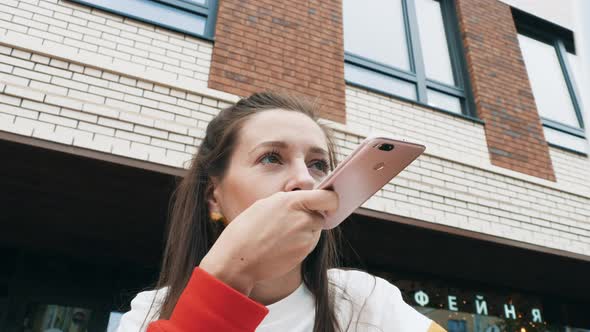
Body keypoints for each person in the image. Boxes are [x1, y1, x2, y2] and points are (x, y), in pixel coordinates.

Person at [116, 91, 446, 332]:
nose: (305, 179)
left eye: (318, 164)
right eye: (271, 158)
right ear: (213, 196)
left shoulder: (365, 299)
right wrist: (227, 278)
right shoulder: (150, 312)